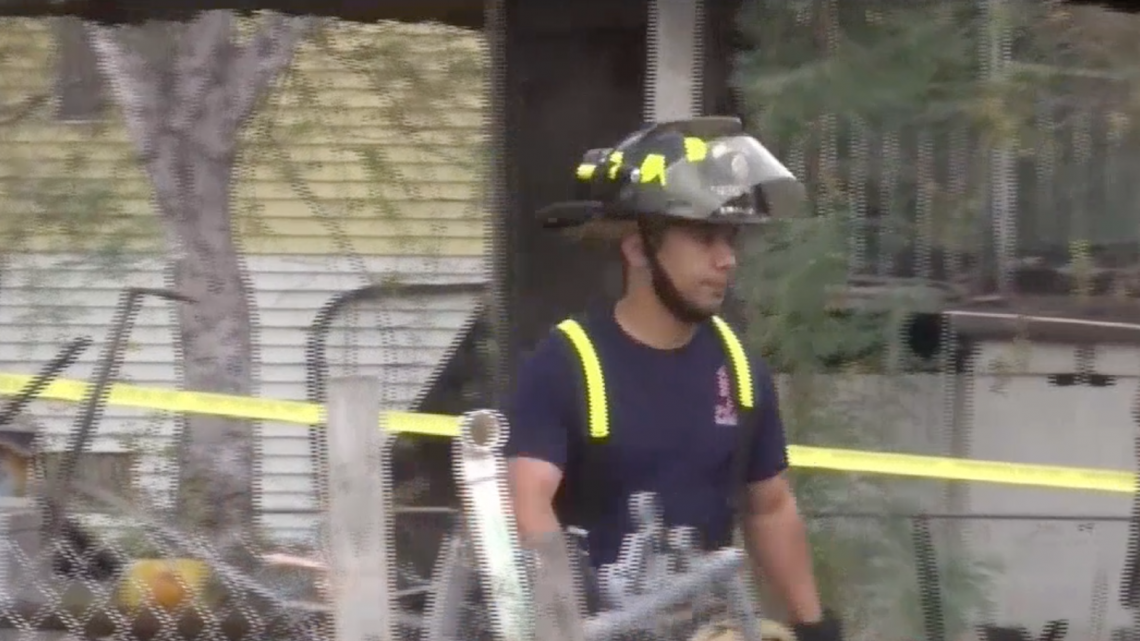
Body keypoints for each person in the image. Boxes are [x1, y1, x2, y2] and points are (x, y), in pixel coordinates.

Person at [503, 116, 842, 641]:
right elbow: (527, 503)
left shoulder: (740, 369)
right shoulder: (567, 362)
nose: (727, 259)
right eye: (705, 237)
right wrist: (566, 617)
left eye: (730, 239)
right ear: (638, 249)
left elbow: (770, 506)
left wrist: (814, 626)